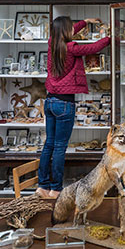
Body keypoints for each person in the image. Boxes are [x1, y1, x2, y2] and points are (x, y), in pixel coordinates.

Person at [36, 16, 110, 199]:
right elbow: (94, 48)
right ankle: (56, 189)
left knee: (49, 145)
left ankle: (42, 186)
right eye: (70, 29)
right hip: (64, 104)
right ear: (65, 32)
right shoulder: (72, 48)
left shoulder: (52, 43)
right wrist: (111, 37)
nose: (73, 31)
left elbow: (68, 31)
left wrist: (84, 22)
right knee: (60, 147)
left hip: (50, 101)